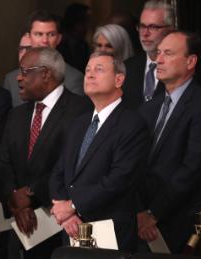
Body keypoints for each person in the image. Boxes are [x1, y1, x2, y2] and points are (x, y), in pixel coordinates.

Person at [49, 51, 149, 252]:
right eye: (87, 70)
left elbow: (119, 178)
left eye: (99, 70)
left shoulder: (132, 124)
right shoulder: (79, 123)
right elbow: (59, 171)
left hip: (110, 231)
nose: (90, 75)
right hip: (72, 230)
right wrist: (65, 212)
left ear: (119, 79)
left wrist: (73, 206)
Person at [0, 47, 91, 259]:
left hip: (60, 226)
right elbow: (3, 163)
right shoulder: (17, 114)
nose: (18, 78)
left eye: (24, 71)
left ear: (46, 74)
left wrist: (30, 194)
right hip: (20, 228)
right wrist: (16, 200)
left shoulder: (81, 110)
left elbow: (73, 165)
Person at [137, 31, 201, 253]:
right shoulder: (148, 108)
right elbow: (134, 162)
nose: (158, 60)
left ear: (191, 61)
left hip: (187, 224)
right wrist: (140, 211)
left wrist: (153, 213)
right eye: (158, 53)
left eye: (168, 53)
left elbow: (193, 168)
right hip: (143, 222)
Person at [4, 10, 84, 107]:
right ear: (29, 37)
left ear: (59, 39)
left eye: (51, 34)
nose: (45, 41)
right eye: (39, 34)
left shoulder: (74, 78)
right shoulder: (11, 79)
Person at [122, 0, 175, 109]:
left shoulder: (179, 68)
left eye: (153, 27)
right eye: (142, 26)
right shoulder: (127, 67)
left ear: (170, 30)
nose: (145, 33)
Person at [3, 33, 32, 107]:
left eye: (29, 49)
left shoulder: (53, 77)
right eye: (21, 49)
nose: (23, 54)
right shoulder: (10, 78)